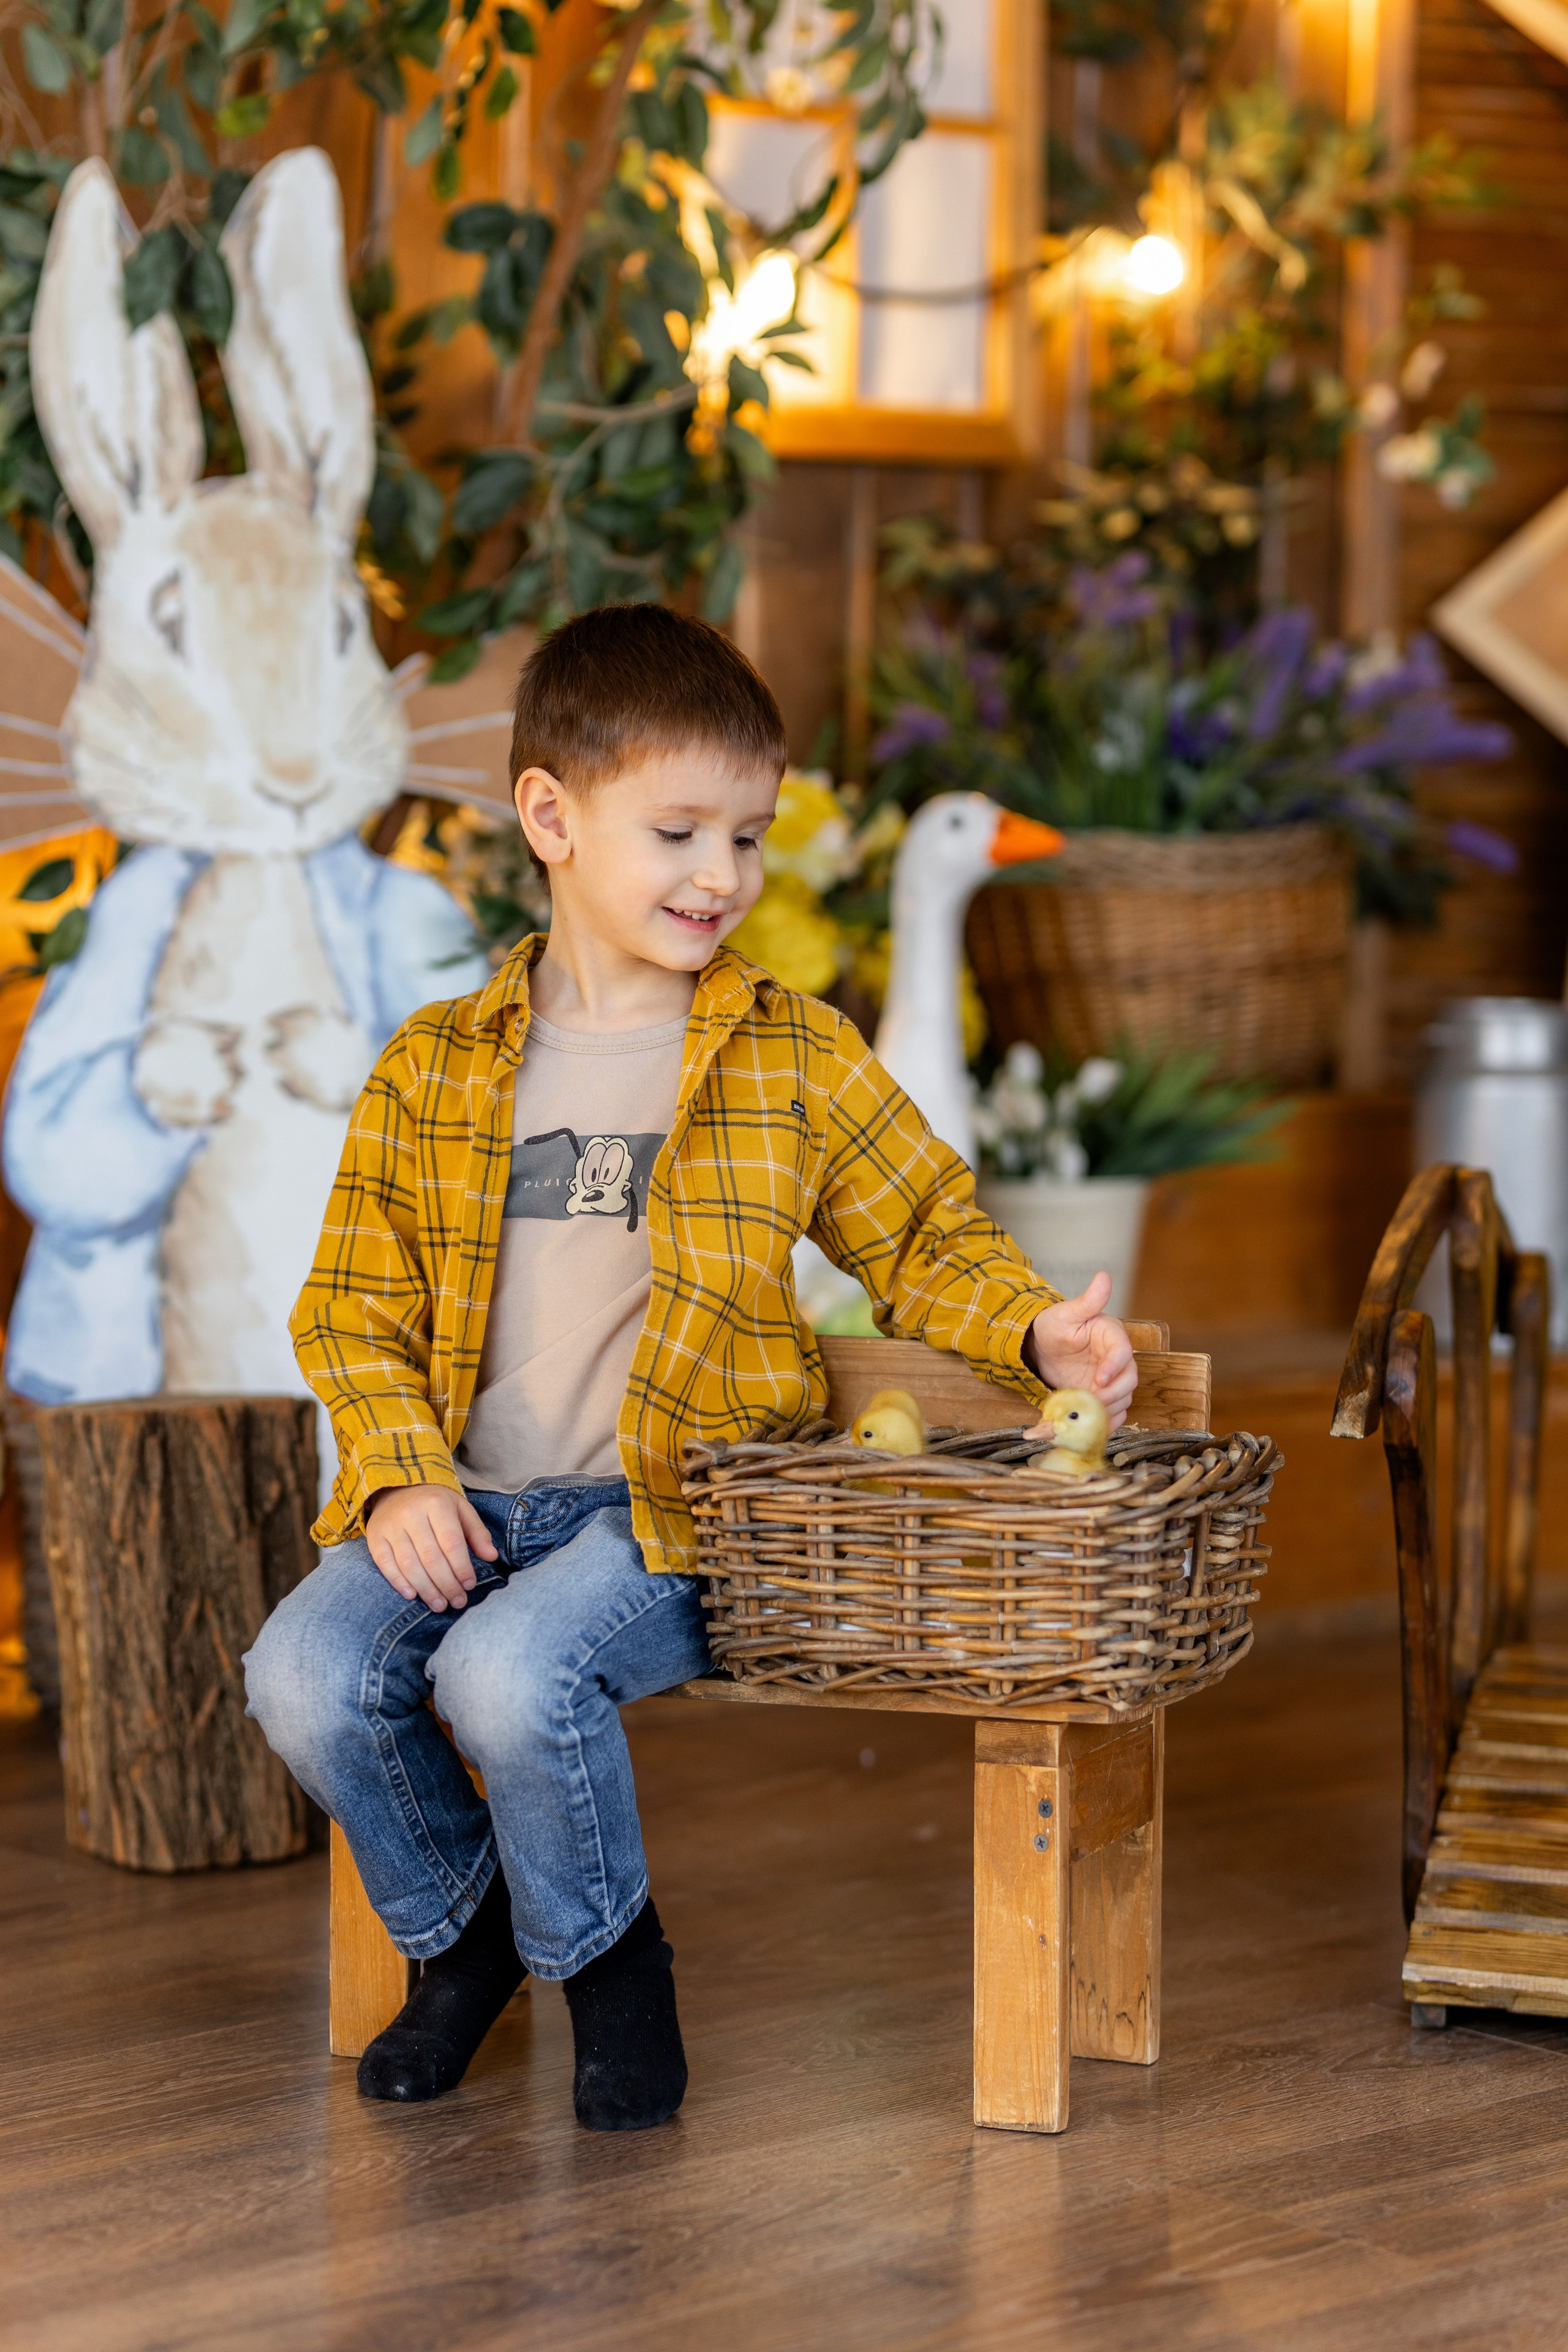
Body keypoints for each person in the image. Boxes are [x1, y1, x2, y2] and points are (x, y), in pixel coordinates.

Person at [244, 605, 1137, 2133]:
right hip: (464, 1500)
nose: (719, 874)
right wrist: (393, 1469)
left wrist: (1030, 1328)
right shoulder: (436, 1066)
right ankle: (462, 1950)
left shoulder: (791, 1059)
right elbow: (352, 1300)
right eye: (676, 832)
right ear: (551, 817)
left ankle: (609, 1969)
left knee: (510, 1673)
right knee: (306, 1676)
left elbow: (921, 1229)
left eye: (748, 834)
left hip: (664, 1517)